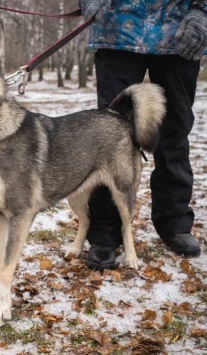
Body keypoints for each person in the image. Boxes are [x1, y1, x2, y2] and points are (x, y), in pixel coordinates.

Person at [78, 0, 206, 270]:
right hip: (118, 28)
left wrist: (202, 12)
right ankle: (104, 233)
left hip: (179, 30)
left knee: (175, 131)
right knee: (109, 137)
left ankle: (174, 222)